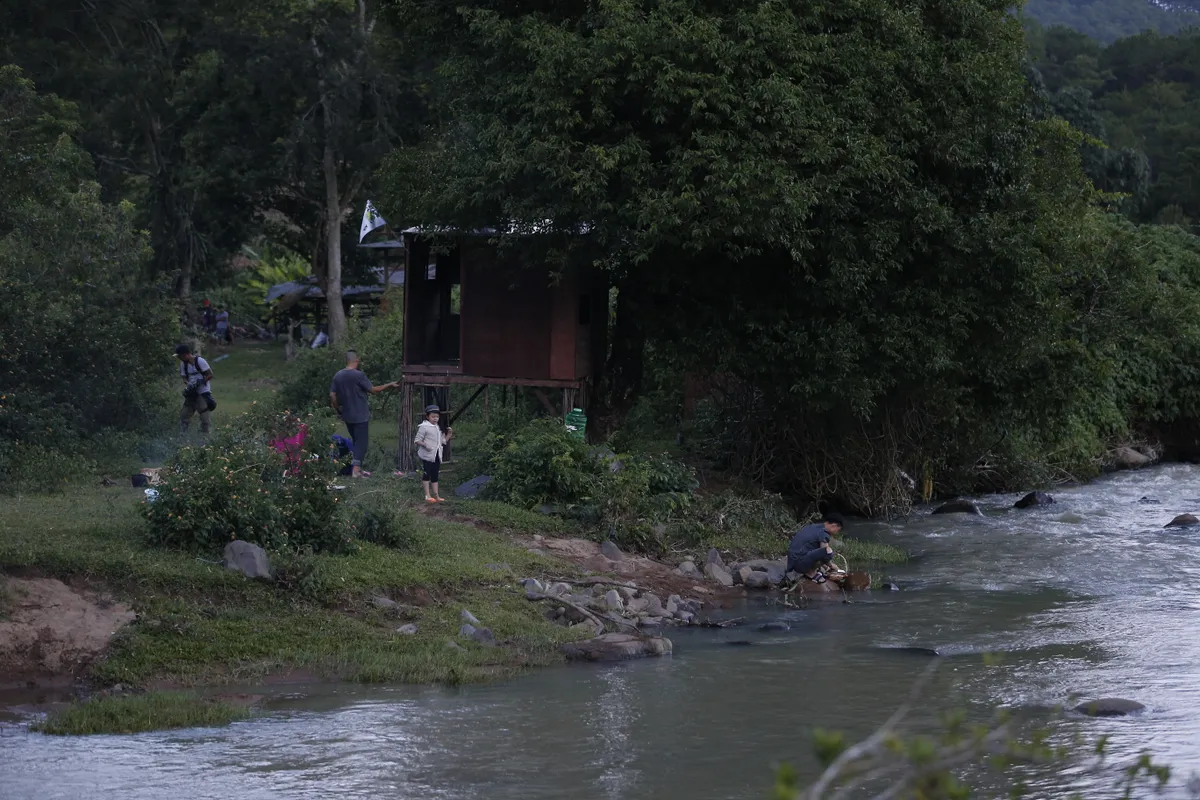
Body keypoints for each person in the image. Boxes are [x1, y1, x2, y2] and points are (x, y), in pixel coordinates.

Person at [329, 350, 398, 478]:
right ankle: (355, 471)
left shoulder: (338, 375)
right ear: (357, 360)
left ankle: (357, 468)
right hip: (360, 415)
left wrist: (338, 409)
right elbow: (373, 390)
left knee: (356, 441)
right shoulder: (358, 375)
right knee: (362, 443)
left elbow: (332, 395)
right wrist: (390, 384)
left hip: (347, 415)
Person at [786, 512, 846, 584]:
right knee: (829, 552)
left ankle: (811, 569)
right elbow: (825, 553)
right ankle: (810, 573)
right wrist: (832, 566)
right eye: (838, 530)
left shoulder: (814, 526)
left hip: (792, 562)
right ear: (834, 526)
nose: (837, 532)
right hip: (799, 564)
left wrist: (826, 567)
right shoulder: (823, 533)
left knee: (821, 552)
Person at [414, 404, 453, 503]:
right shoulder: (424, 427)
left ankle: (436, 495)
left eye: (437, 417)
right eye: (433, 416)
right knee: (427, 473)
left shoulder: (438, 427)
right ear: (427, 416)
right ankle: (427, 495)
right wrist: (425, 445)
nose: (435, 419)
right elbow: (417, 440)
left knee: (435, 474)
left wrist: (449, 435)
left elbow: (443, 442)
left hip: (436, 455)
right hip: (427, 455)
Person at [175, 344, 215, 437]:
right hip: (192, 391)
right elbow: (184, 377)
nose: (179, 358)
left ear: (185, 355)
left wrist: (201, 381)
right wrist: (189, 384)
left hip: (202, 390)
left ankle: (206, 436)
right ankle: (182, 435)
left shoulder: (200, 361)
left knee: (204, 413)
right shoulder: (183, 364)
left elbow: (210, 374)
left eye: (180, 356)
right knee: (184, 414)